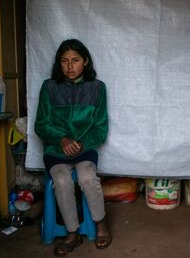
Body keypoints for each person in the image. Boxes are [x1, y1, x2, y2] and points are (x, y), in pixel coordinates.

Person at [35, 39, 111, 256]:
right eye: (64, 61)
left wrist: (81, 144)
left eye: (75, 60)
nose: (69, 66)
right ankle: (72, 232)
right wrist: (62, 140)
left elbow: (100, 128)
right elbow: (41, 124)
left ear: (85, 62)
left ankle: (100, 224)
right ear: (59, 63)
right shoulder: (49, 87)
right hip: (55, 150)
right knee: (61, 180)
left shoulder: (97, 88)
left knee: (87, 176)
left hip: (84, 149)